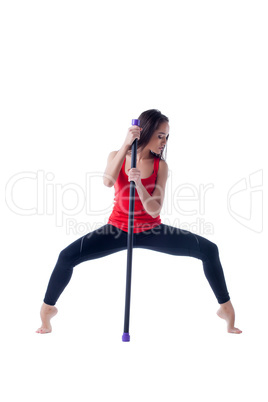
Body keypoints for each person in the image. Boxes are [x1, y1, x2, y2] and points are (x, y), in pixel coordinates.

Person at [36, 109, 242, 335]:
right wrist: (126, 144)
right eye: (160, 135)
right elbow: (107, 181)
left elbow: (154, 210)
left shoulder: (160, 166)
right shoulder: (116, 154)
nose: (164, 141)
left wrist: (140, 186)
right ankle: (47, 311)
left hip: (151, 230)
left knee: (209, 250)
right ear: (146, 132)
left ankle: (226, 309)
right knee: (66, 256)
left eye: (166, 136)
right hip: (117, 229)